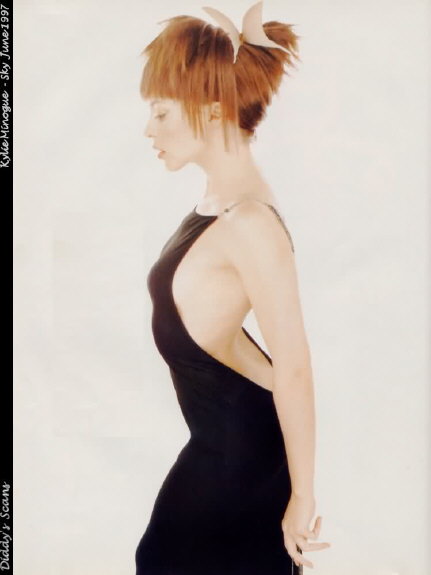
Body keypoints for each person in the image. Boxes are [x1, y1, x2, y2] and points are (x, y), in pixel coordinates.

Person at [135, 2, 331, 573]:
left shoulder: (249, 223)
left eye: (161, 112)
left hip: (240, 466)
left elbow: (293, 366)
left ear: (213, 109)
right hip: (224, 452)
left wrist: (302, 495)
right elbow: (231, 344)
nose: (149, 129)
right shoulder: (218, 208)